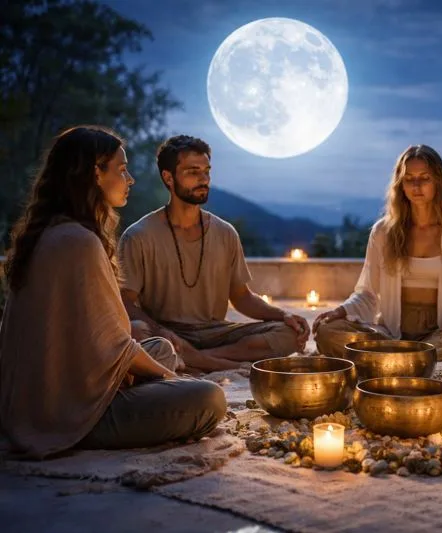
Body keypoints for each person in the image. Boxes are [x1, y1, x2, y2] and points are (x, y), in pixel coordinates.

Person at [0, 126, 226, 459]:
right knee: (208, 398)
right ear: (95, 174)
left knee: (161, 348)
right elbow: (117, 346)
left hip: (45, 390)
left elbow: (93, 339)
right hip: (67, 411)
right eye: (121, 170)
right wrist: (170, 379)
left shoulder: (52, 232)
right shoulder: (79, 242)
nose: (129, 179)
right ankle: (98, 425)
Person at [118, 135, 309, 373]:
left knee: (287, 332)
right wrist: (161, 331)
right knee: (137, 331)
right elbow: (125, 302)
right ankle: (210, 361)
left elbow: (241, 297)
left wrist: (284, 314)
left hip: (215, 333)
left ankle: (196, 359)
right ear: (168, 177)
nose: (204, 179)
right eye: (193, 172)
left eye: (206, 171)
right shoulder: (138, 236)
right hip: (167, 332)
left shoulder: (225, 232)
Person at [313, 144, 442, 363]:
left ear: (439, 182)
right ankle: (413, 361)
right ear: (400, 185)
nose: (416, 185)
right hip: (390, 334)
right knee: (327, 331)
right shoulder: (383, 231)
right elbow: (367, 293)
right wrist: (340, 311)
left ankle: (387, 361)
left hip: (439, 334)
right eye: (409, 179)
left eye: (425, 178)